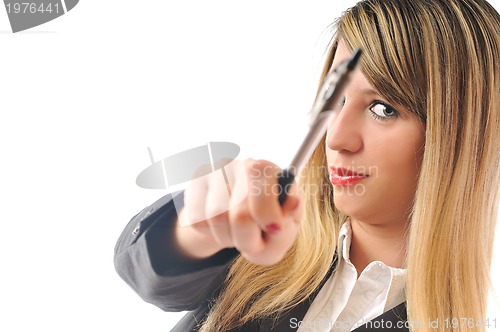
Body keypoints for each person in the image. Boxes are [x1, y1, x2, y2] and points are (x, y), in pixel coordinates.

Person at [114, 0, 500, 331]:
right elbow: (144, 269)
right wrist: (195, 230)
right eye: (336, 100)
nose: (336, 138)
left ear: (458, 139)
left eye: (383, 109)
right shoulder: (267, 230)